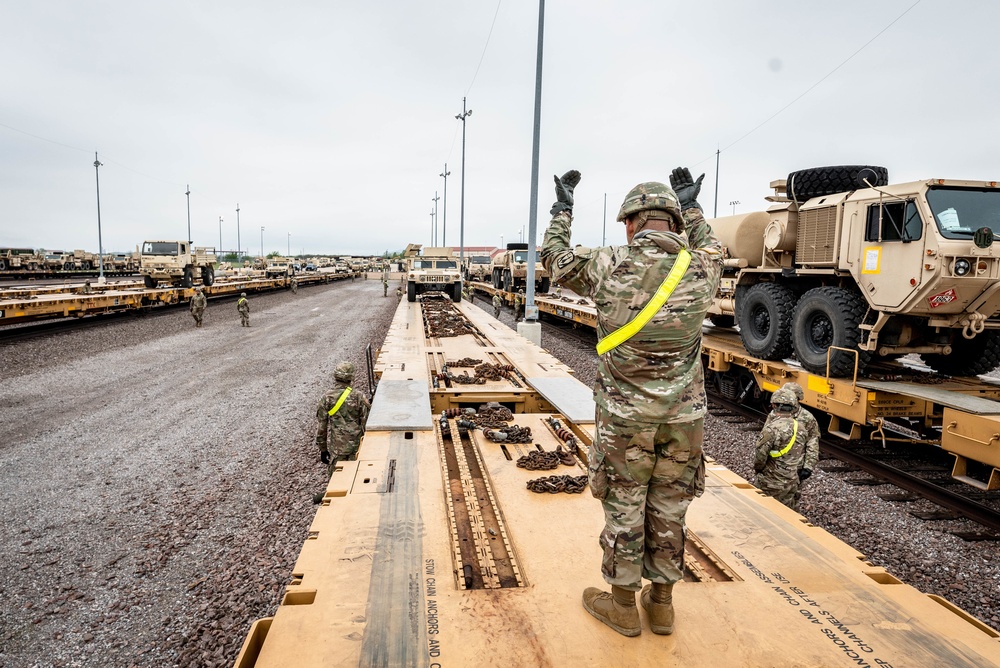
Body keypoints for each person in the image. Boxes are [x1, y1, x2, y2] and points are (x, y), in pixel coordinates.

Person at [541, 167, 722, 637]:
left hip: (625, 418)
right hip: (685, 418)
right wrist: (693, 206)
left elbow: (553, 259)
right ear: (675, 223)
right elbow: (710, 241)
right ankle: (661, 604)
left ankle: (622, 605)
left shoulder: (609, 264)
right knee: (670, 503)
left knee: (625, 501)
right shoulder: (704, 266)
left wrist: (564, 208)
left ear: (629, 224)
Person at [754, 387, 819, 511]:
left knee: (785, 501)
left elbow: (813, 442)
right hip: (784, 470)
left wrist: (808, 466)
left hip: (793, 469)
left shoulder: (807, 418)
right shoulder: (774, 416)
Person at [314, 361, 370, 503]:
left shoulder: (326, 398)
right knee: (356, 480)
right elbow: (367, 424)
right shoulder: (358, 396)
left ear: (335, 377)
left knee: (336, 483)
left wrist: (323, 449)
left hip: (337, 449)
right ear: (351, 377)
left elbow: (322, 427)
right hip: (357, 448)